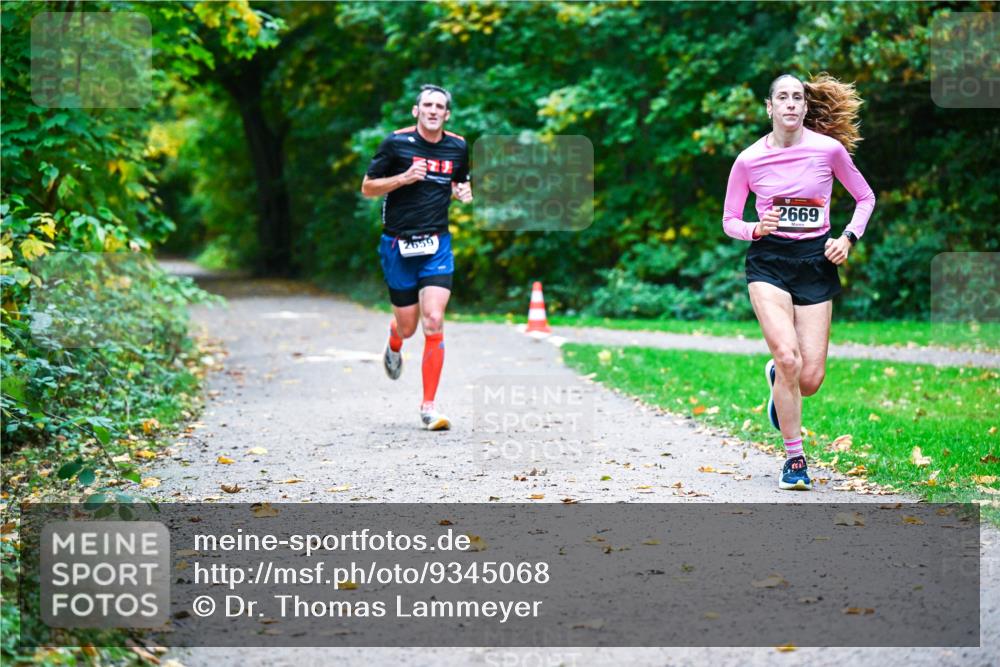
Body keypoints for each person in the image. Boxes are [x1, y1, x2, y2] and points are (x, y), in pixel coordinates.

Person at [722, 73, 876, 490]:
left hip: (815, 262)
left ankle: (779, 376)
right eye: (782, 97)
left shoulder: (829, 150)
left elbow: (865, 198)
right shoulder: (749, 160)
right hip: (769, 261)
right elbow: (730, 220)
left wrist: (847, 238)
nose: (790, 103)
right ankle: (794, 460)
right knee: (790, 358)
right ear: (769, 107)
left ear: (806, 107)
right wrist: (755, 228)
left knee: (809, 379)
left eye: (797, 97)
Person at [361, 84, 472, 431]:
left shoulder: (458, 147)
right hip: (398, 245)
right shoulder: (396, 143)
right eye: (428, 105)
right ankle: (395, 340)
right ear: (417, 110)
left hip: (436, 244)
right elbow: (367, 187)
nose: (433, 110)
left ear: (447, 114)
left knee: (434, 320)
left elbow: (457, 183)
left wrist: (463, 191)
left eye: (440, 106)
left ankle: (429, 407)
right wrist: (403, 178)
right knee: (408, 327)